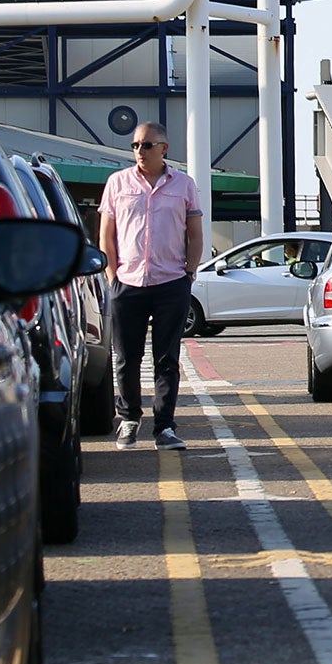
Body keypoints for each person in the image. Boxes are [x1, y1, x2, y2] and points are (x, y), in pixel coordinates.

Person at [97, 122, 203, 449]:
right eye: (135, 146)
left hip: (170, 282)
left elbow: (195, 232)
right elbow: (106, 236)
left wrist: (189, 271)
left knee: (166, 358)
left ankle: (164, 427)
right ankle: (129, 419)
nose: (139, 152)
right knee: (126, 357)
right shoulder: (117, 183)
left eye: (146, 145)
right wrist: (113, 276)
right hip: (127, 283)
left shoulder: (183, 185)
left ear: (164, 149)